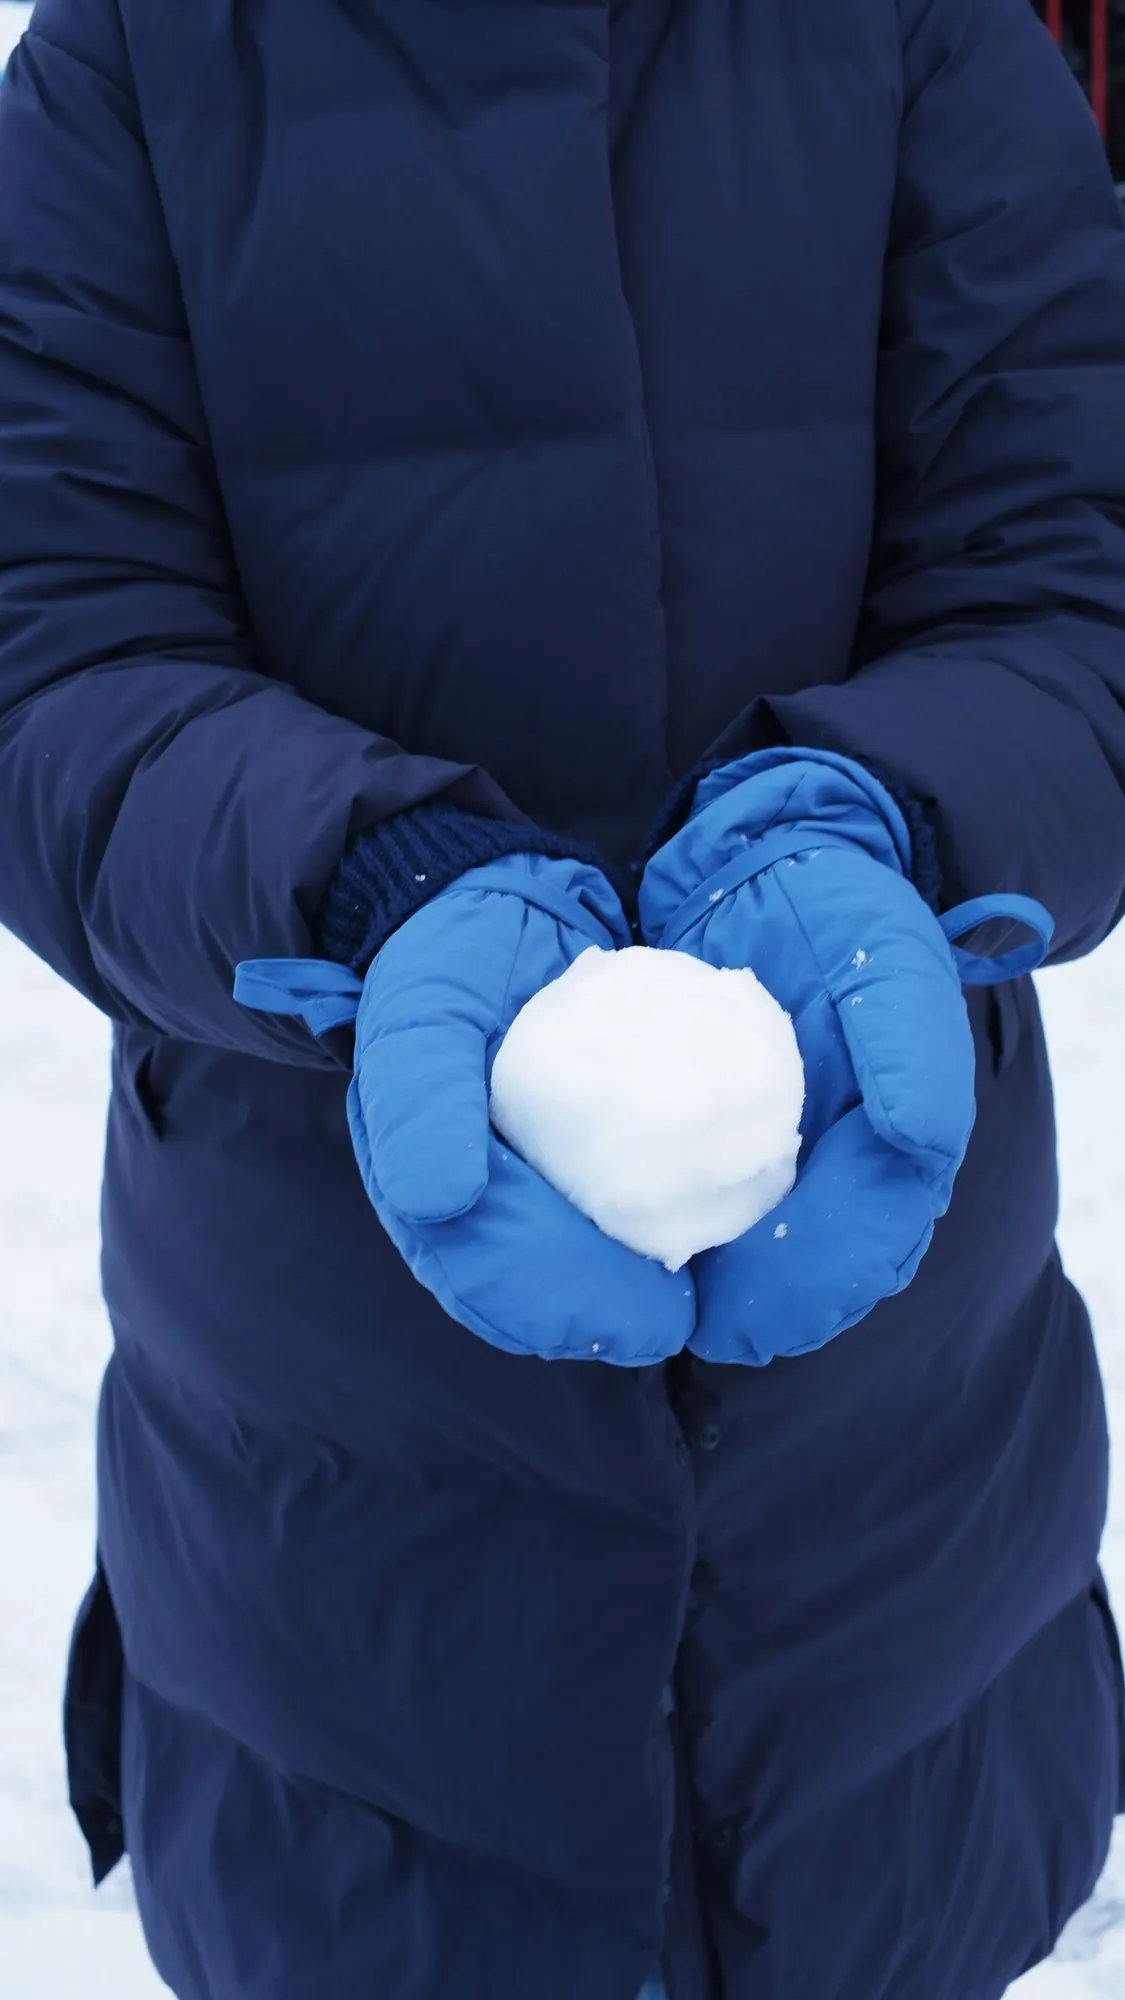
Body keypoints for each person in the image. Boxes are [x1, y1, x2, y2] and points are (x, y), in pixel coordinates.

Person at [0, 0, 1124, 1995]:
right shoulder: (130, 64)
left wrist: (885, 827)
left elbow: (1069, 570)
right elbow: (52, 643)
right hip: (332, 1562)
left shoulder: (922, 33)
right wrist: (372, 879)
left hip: (900, 1549)